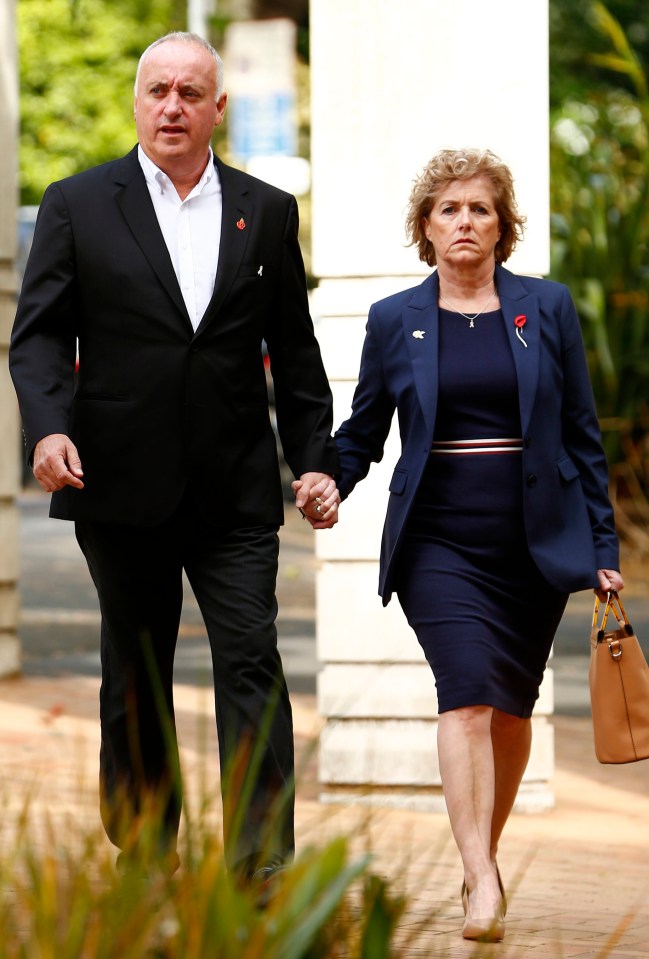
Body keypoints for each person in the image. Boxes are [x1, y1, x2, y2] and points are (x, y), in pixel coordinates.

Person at [9, 32, 339, 886]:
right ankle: (147, 848)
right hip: (115, 478)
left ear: (216, 108)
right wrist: (47, 428)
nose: (173, 106)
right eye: (158, 90)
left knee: (251, 662)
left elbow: (293, 351)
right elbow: (39, 336)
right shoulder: (78, 203)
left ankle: (261, 867)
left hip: (234, 485)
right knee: (136, 667)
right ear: (136, 101)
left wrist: (316, 459)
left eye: (191, 92)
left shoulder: (265, 210)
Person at [297, 148, 624, 942]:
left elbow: (580, 434)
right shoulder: (394, 319)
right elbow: (366, 430)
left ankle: (485, 853)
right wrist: (329, 478)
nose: (464, 222)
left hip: (533, 544)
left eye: (479, 208)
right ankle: (478, 877)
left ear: (501, 225)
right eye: (448, 210)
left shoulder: (544, 309)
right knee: (468, 698)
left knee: (510, 711)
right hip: (438, 540)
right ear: (425, 227)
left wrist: (602, 541)